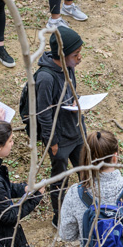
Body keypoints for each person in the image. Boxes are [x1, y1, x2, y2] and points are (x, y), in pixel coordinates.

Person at [36, 26, 86, 227]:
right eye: (75, 54)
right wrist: (52, 142)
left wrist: (77, 102)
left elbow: (68, 95)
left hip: (76, 131)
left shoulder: (69, 68)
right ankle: (60, 216)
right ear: (62, 55)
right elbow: (43, 113)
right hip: (60, 139)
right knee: (60, 180)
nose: (80, 58)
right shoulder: (45, 78)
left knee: (86, 171)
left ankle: (86, 209)